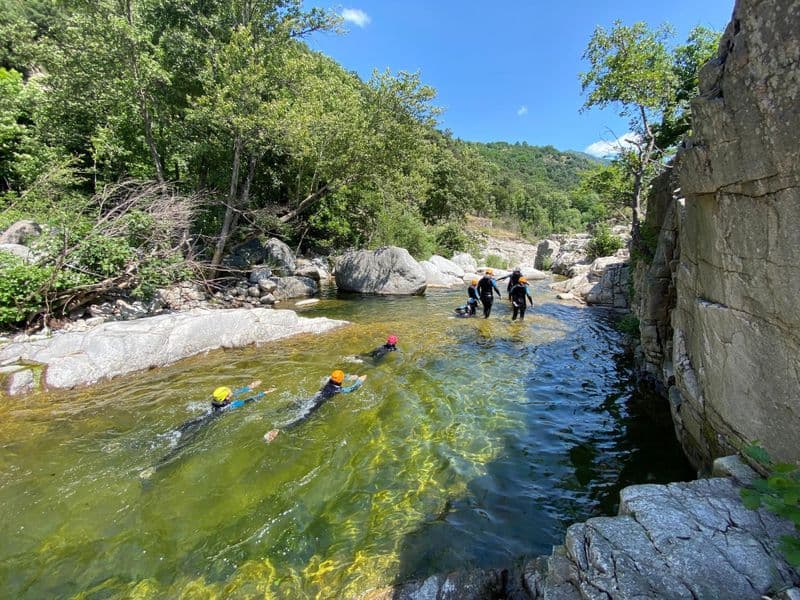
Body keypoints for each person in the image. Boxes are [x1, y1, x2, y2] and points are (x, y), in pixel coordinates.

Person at [140, 380, 273, 479]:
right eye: (229, 393)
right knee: (180, 447)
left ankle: (141, 444)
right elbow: (248, 401)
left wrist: (250, 386)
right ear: (226, 398)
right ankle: (156, 467)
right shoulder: (229, 406)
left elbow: (234, 394)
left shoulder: (215, 402)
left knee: (168, 435)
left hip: (194, 421)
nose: (232, 393)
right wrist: (264, 393)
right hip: (201, 427)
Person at [264, 370, 366, 443]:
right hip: (316, 403)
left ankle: (269, 413)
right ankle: (279, 430)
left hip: (312, 398)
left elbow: (334, 378)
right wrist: (359, 381)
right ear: (340, 380)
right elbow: (351, 389)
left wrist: (350, 377)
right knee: (303, 418)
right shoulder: (337, 389)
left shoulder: (329, 381)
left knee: (296, 405)